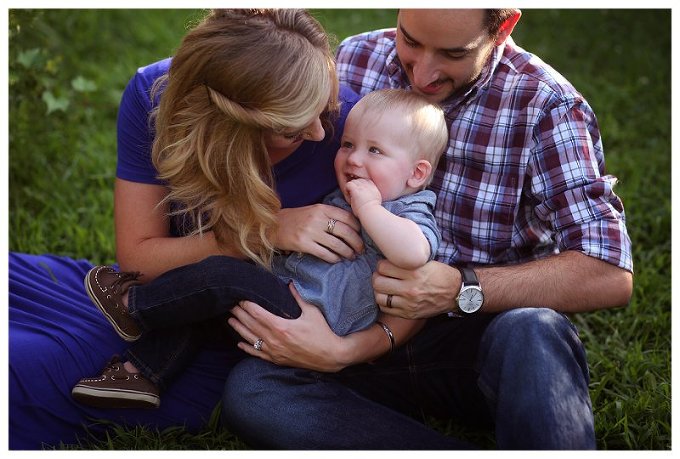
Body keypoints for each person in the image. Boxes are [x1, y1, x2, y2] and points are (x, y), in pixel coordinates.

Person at [220, 9, 634, 449]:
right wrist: (274, 226)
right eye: (411, 41)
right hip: (347, 321)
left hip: (468, 343)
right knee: (254, 391)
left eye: (453, 53)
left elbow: (608, 272)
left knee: (534, 331)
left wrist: (462, 286)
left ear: (504, 27)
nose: (423, 74)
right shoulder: (354, 59)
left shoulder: (546, 105)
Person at [9, 8, 364, 449]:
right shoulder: (156, 97)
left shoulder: (351, 130)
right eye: (289, 129)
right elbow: (140, 261)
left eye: (324, 108)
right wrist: (265, 231)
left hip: (247, 340)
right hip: (162, 301)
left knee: (22, 370)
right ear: (229, 129)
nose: (317, 132)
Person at [70, 88, 448, 410]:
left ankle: (136, 306)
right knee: (202, 311)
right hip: (284, 297)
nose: (353, 158)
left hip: (313, 321)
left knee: (226, 275)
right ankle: (141, 376)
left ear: (416, 173)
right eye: (348, 144)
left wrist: (369, 208)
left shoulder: (409, 210)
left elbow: (413, 254)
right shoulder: (344, 197)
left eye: (375, 151)